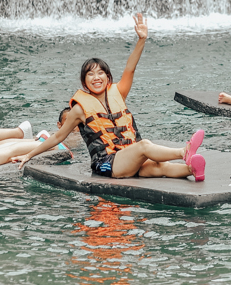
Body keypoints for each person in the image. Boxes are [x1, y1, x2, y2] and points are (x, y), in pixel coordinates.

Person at [13, 14, 206, 181]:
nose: (96, 77)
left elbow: (130, 67)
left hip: (127, 158)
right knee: (144, 145)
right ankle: (184, 152)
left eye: (100, 73)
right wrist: (29, 155)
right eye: (90, 74)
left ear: (108, 77)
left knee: (158, 167)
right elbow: (57, 137)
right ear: (84, 82)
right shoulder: (79, 109)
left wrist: (141, 40)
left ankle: (192, 170)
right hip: (106, 164)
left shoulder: (118, 92)